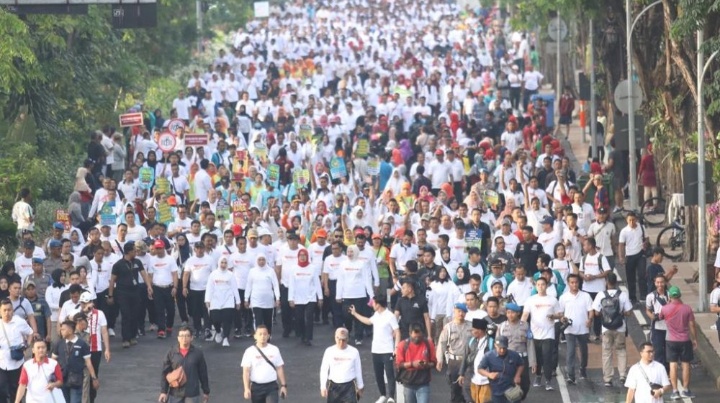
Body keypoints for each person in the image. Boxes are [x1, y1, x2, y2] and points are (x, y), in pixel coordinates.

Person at [348, 296, 399, 403]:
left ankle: (391, 397)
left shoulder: (390, 316)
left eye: (374, 303)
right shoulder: (376, 315)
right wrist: (355, 313)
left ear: (379, 304)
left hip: (387, 349)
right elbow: (368, 321)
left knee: (389, 374)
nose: (372, 305)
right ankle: (383, 395)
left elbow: (397, 332)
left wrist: (396, 348)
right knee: (378, 374)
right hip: (376, 349)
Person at [592, 272, 632, 387]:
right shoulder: (622, 295)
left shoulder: (601, 295)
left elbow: (596, 312)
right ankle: (622, 375)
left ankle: (608, 378)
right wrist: (620, 313)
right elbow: (628, 312)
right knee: (621, 350)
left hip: (606, 328)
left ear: (606, 282)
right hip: (620, 327)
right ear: (616, 282)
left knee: (606, 352)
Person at [521, 276, 561, 390]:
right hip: (534, 334)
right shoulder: (531, 300)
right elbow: (525, 315)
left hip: (549, 333)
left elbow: (560, 314)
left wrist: (554, 316)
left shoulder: (553, 300)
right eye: (538, 285)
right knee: (537, 357)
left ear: (547, 285)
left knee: (547, 357)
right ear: (535, 286)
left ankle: (548, 381)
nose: (540, 287)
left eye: (543, 284)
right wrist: (521, 327)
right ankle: (538, 376)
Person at [109, 242, 152, 348]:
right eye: (134, 250)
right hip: (123, 292)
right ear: (129, 251)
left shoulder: (137, 262)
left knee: (135, 314)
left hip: (135, 291)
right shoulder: (118, 265)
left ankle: (133, 336)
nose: (136, 252)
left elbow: (143, 274)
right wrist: (110, 295)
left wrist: (149, 286)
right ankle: (125, 338)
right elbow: (112, 280)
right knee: (126, 315)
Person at [659, 286, 697, 399]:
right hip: (685, 339)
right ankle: (686, 389)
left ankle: (675, 391)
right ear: (680, 295)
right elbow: (692, 325)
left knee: (673, 365)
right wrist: (694, 339)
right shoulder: (687, 308)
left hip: (670, 340)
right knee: (686, 364)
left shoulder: (665, 308)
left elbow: (661, 317)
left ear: (669, 296)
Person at [159, 326, 210, 403]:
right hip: (175, 394)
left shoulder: (198, 353)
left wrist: (206, 391)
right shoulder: (171, 353)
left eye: (187, 336)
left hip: (192, 394)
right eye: (182, 336)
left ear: (191, 338)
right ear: (178, 338)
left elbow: (203, 373)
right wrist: (163, 392)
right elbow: (165, 373)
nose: (184, 338)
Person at [52, 320, 98, 403]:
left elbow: (88, 362)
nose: (61, 331)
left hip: (76, 379)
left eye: (63, 329)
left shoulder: (82, 344)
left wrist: (94, 378)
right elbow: (52, 361)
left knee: (75, 400)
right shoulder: (59, 343)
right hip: (62, 378)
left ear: (70, 331)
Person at [558, 273, 593, 384]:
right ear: (568, 284)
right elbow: (560, 313)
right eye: (572, 282)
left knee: (584, 351)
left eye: (576, 282)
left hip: (583, 329)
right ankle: (571, 375)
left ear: (579, 283)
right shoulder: (563, 298)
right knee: (571, 352)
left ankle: (583, 368)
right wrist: (563, 319)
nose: (574, 284)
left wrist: (590, 319)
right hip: (570, 329)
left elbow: (591, 310)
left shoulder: (585, 296)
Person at [241, 325, 288, 403]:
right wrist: (246, 388)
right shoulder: (249, 351)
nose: (262, 336)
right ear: (255, 336)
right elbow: (246, 372)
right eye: (260, 334)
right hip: (256, 387)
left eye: (265, 334)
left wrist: (283, 386)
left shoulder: (274, 349)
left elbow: (279, 368)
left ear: (268, 336)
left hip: (271, 386)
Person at [435, 302, 471, 403]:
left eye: (463, 312)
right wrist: (440, 360)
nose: (461, 314)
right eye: (459, 311)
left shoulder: (470, 326)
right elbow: (442, 343)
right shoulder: (448, 327)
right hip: (454, 362)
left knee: (468, 390)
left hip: (468, 362)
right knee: (455, 390)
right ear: (454, 312)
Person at [0, 297, 33, 403]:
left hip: (16, 363)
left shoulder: (19, 321)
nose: (7, 312)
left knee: (16, 391)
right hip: (1, 363)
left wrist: (27, 344)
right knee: (2, 391)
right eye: (4, 310)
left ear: (12, 310)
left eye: (9, 310)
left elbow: (30, 333)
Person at [288, 249, 323, 346]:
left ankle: (308, 337)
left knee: (309, 318)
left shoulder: (313, 268)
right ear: (298, 257)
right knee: (299, 318)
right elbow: (291, 284)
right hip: (298, 298)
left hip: (310, 297)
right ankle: (302, 335)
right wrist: (290, 298)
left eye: (304, 255)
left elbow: (317, 283)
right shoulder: (293, 268)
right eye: (301, 255)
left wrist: (320, 297)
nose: (302, 257)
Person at [394, 323, 437, 403]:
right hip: (408, 383)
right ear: (410, 334)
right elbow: (399, 364)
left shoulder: (428, 344)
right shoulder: (403, 345)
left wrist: (427, 364)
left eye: (419, 337)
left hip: (423, 382)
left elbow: (434, 362)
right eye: (415, 337)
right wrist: (412, 364)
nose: (417, 339)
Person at [319, 327, 364, 403]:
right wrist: (323, 386)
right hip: (334, 386)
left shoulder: (354, 352)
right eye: (339, 339)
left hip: (349, 386)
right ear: (335, 338)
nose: (341, 342)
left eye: (343, 340)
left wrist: (360, 385)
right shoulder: (329, 351)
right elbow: (324, 369)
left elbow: (358, 370)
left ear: (347, 339)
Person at [204, 256, 241, 347]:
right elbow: (209, 288)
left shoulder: (230, 275)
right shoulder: (213, 274)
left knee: (227, 319)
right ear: (219, 263)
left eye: (225, 263)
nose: (223, 265)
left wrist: (238, 301)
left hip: (228, 300)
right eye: (222, 263)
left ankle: (225, 338)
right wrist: (207, 300)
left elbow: (234, 288)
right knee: (215, 319)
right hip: (215, 299)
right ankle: (218, 331)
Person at [478, 335, 525, 403]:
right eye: (500, 348)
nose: (502, 350)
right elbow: (480, 369)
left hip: (511, 388)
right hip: (496, 389)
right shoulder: (488, 356)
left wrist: (517, 376)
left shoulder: (514, 355)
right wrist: (489, 374)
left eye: (504, 348)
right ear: (495, 345)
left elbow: (521, 364)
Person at [148, 239, 179, 339]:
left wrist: (175, 287)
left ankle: (169, 325)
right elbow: (150, 275)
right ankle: (161, 329)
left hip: (169, 287)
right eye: (156, 248)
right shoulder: (152, 260)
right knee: (159, 309)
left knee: (171, 310)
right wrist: (149, 287)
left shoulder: (170, 259)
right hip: (157, 288)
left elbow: (174, 273)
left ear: (164, 248)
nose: (158, 250)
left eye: (160, 248)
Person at [618, 211, 648, 304]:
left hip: (640, 254)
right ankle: (633, 297)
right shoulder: (624, 231)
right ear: (626, 220)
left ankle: (643, 296)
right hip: (629, 256)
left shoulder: (641, 227)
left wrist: (645, 244)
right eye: (629, 220)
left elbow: (646, 238)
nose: (631, 222)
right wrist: (621, 257)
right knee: (631, 278)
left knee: (642, 275)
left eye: (633, 220)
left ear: (636, 219)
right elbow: (621, 245)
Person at [245, 254, 280, 335]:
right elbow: (248, 285)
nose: (261, 261)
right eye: (259, 260)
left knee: (268, 321)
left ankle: (268, 336)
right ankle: (258, 337)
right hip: (256, 301)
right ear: (256, 261)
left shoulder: (270, 271)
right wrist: (246, 299)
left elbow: (275, 285)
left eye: (263, 259)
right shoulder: (252, 271)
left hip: (268, 301)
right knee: (258, 320)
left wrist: (277, 298)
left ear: (266, 260)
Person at [457, 318, 491, 403]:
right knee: (468, 395)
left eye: (473, 329)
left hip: (486, 376)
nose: (472, 331)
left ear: (479, 331)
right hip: (470, 373)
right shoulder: (470, 340)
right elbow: (465, 357)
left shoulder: (490, 342)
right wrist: (461, 374)